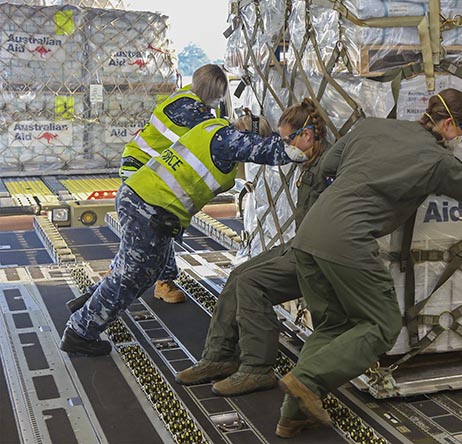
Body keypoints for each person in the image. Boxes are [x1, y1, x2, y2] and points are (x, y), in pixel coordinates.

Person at [277, 89, 462, 434]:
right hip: (348, 240)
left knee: (332, 327)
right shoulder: (437, 159)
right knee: (381, 325)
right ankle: (305, 378)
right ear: (451, 125)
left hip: (309, 236)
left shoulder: (368, 128)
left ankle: (293, 414)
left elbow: (326, 168)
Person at [59, 112, 296, 357]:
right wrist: (299, 144)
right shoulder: (228, 140)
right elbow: (270, 151)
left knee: (144, 268)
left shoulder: (212, 126)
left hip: (144, 199)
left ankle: (89, 302)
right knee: (133, 275)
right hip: (150, 207)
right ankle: (80, 331)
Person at [174, 99, 329, 409]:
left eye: (288, 140)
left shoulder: (327, 168)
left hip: (318, 255)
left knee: (251, 283)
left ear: (307, 136)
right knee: (238, 274)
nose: (285, 148)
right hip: (301, 244)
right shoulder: (310, 163)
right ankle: (218, 357)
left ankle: (257, 369)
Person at [67, 64, 229, 310]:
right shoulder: (192, 110)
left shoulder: (185, 95)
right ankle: (155, 283)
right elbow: (220, 136)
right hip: (143, 170)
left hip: (144, 165)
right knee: (153, 233)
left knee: (148, 236)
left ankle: (101, 291)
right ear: (214, 92)